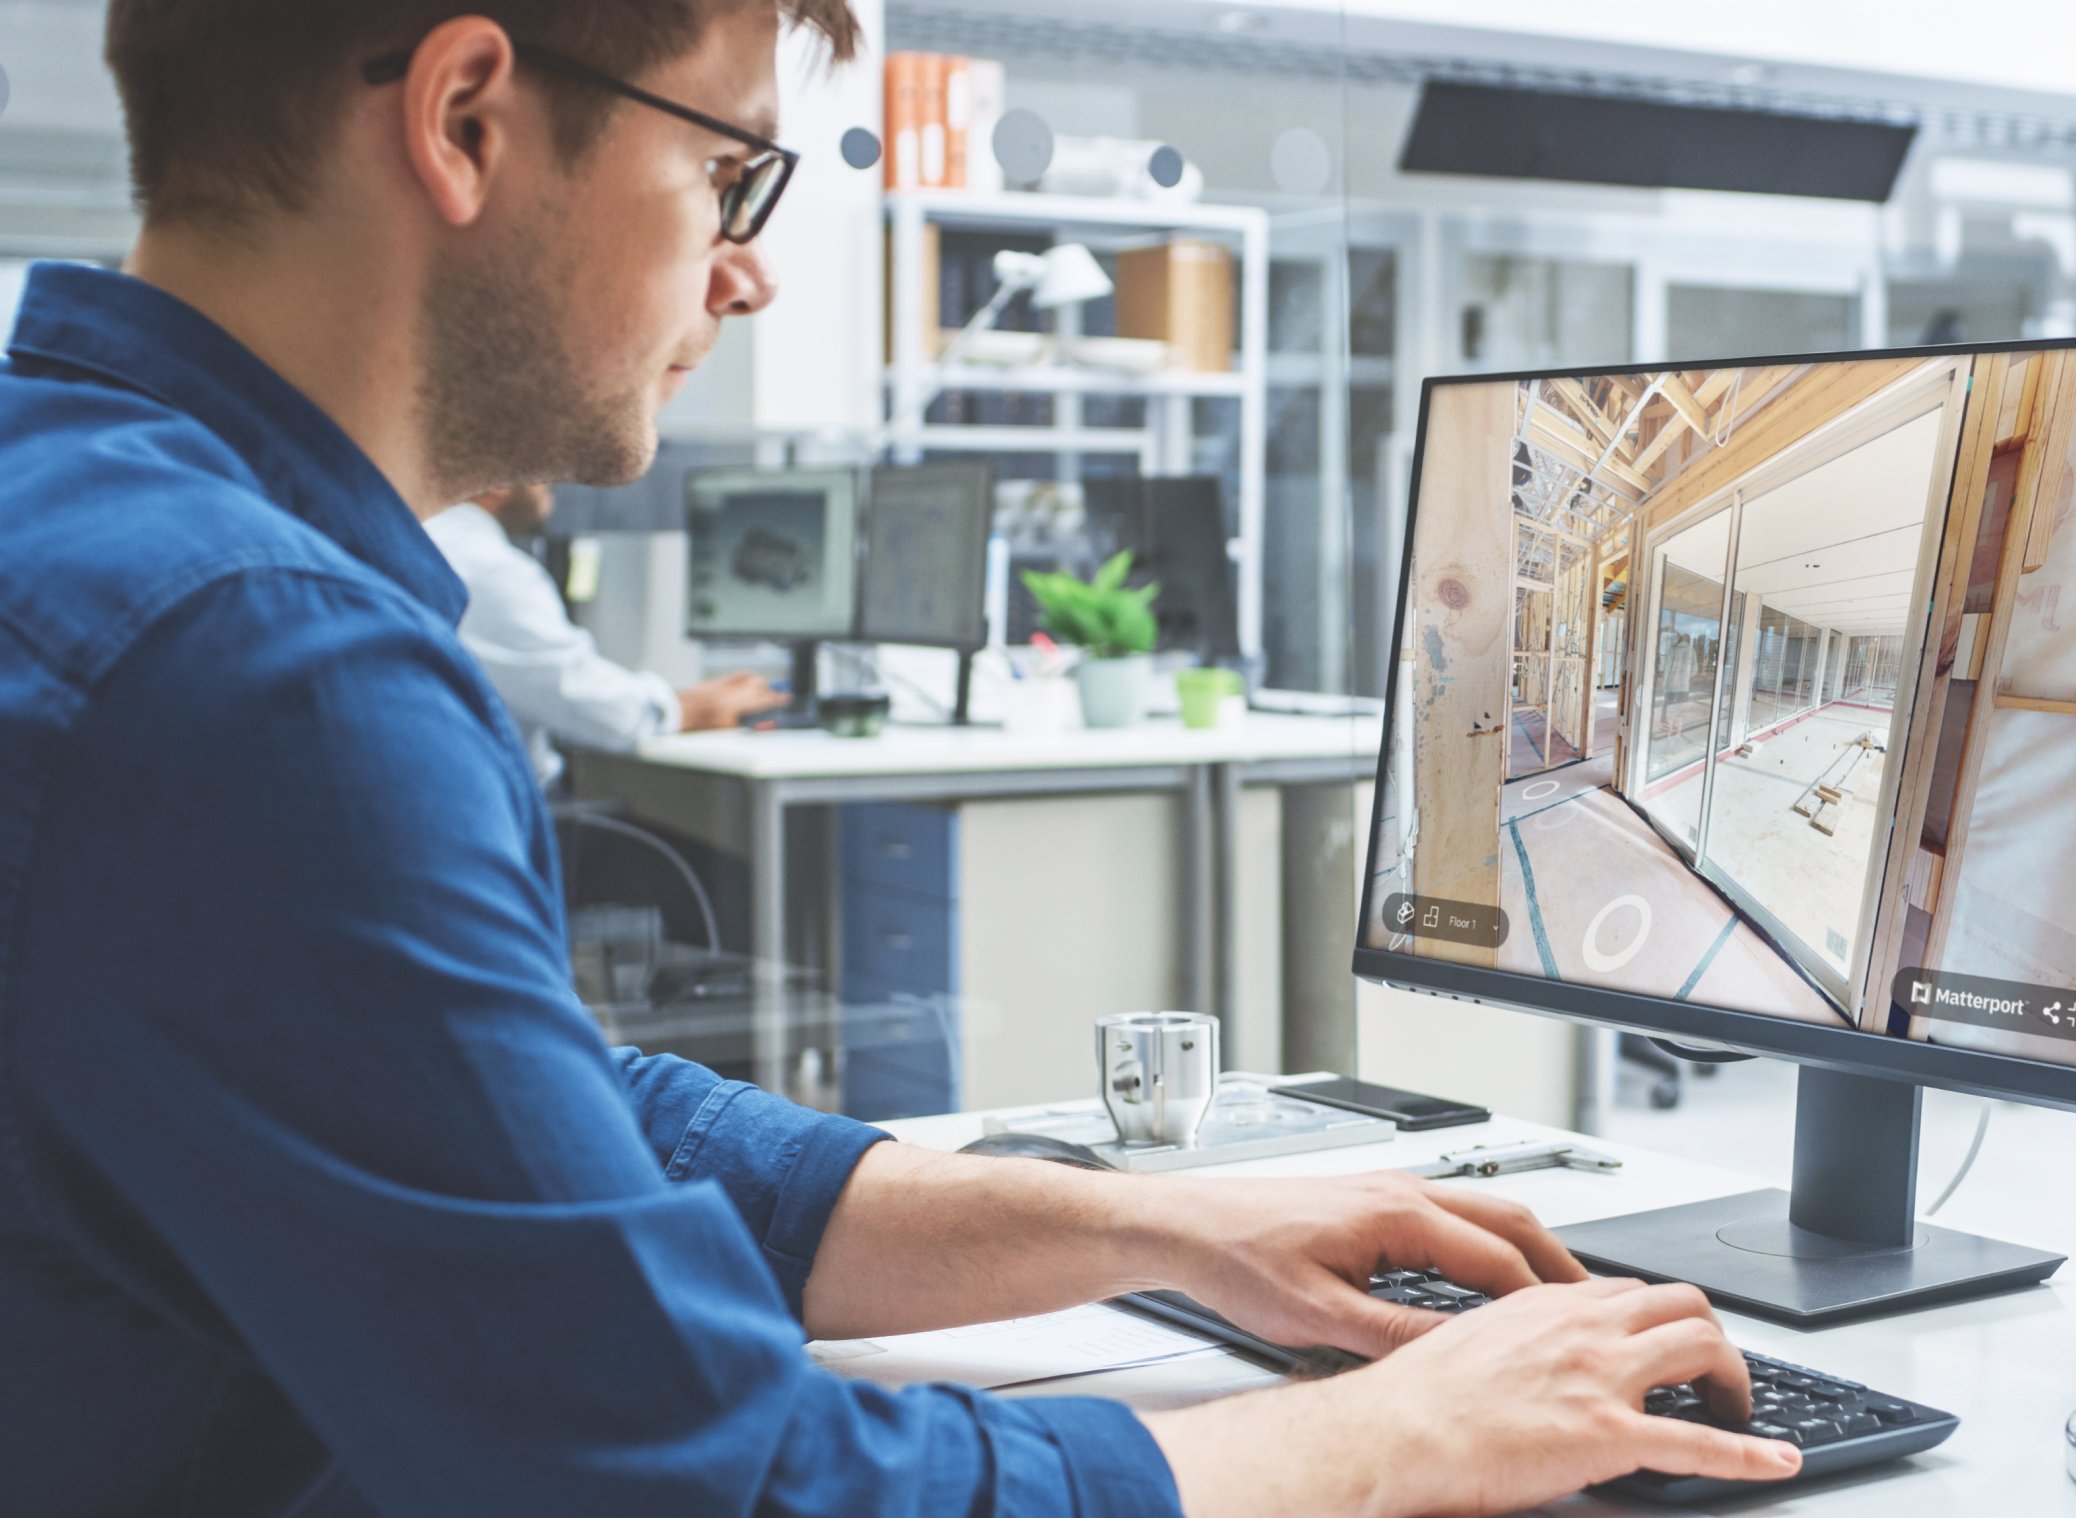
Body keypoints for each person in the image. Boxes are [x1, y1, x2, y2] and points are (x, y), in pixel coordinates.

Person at [0, 5, 1797, 1517]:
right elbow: (701, 1478)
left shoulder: (85, 524)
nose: (747, 266)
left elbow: (541, 1125)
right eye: (725, 169)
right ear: (467, 117)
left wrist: (1158, 1229)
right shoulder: (251, 670)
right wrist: (1381, 1429)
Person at [429, 481, 784, 785]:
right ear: (499, 481)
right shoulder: (490, 569)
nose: (552, 480)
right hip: (500, 815)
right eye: (536, 469)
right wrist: (686, 708)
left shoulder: (430, 540)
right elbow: (589, 704)